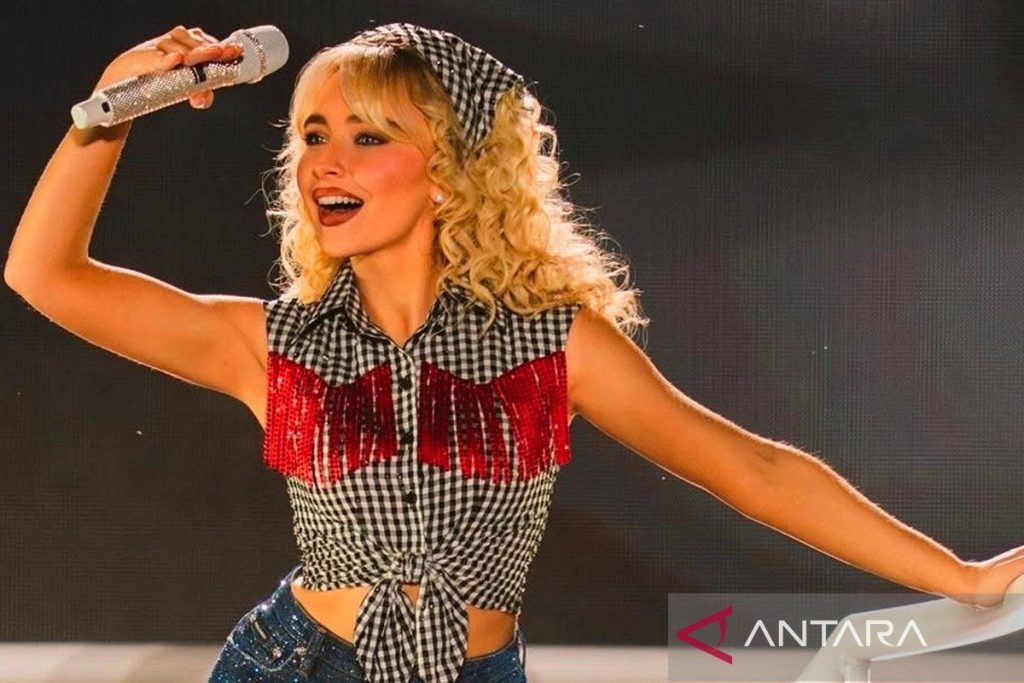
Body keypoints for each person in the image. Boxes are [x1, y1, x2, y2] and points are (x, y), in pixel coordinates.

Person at [5, 20, 1024, 683]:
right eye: (312, 135)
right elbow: (43, 273)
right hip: (294, 662)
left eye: (367, 136)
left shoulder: (554, 344)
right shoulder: (268, 343)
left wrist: (962, 575)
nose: (325, 163)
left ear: (452, 167)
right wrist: (110, 108)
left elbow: (751, 468)